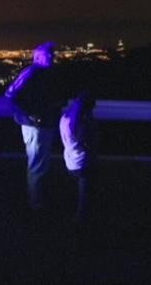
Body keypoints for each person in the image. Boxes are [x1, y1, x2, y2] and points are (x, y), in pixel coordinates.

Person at [5, 42, 71, 212]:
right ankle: (36, 204)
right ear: (37, 57)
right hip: (35, 126)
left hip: (44, 124)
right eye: (48, 54)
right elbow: (11, 95)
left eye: (52, 54)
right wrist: (30, 115)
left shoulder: (44, 74)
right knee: (38, 164)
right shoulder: (32, 73)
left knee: (41, 163)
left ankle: (38, 200)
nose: (51, 57)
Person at [59, 92, 98, 224]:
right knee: (84, 194)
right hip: (82, 163)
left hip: (69, 160)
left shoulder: (65, 117)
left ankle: (68, 213)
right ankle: (81, 219)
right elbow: (88, 144)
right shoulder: (81, 123)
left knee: (72, 189)